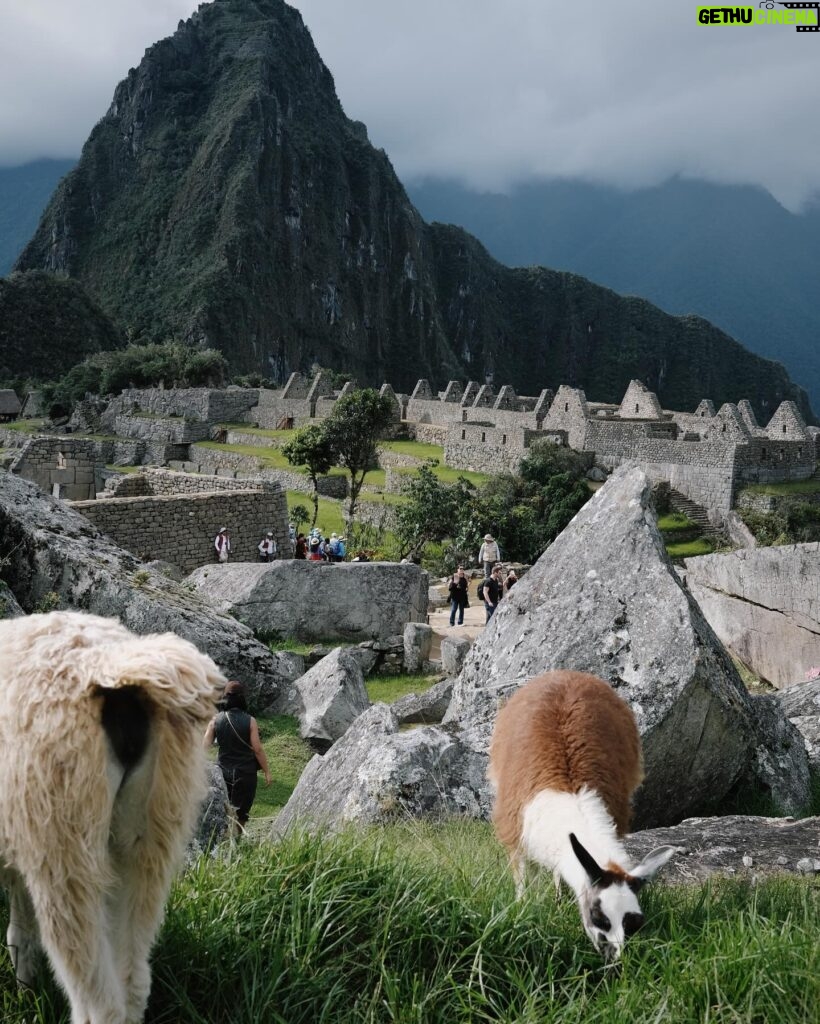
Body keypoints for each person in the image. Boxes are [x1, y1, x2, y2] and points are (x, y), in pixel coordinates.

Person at [203, 680, 271, 831]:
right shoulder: (250, 721)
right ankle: (237, 840)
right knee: (241, 814)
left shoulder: (215, 720)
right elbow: (258, 749)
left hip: (222, 772)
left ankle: (222, 843)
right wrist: (266, 771)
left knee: (223, 811)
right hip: (245, 773)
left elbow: (204, 746)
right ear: (242, 698)